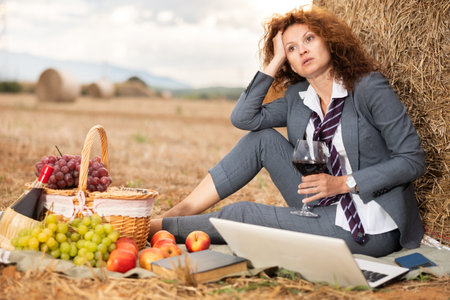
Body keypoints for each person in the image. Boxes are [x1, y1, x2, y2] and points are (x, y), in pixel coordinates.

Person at [148, 6, 425, 257]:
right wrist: (275, 59)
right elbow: (244, 117)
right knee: (262, 139)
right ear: (289, 63)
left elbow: (412, 159)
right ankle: (182, 212)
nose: (302, 50)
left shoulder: (367, 87)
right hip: (318, 199)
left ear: (329, 41)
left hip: (368, 219)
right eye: (291, 49)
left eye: (309, 39)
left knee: (243, 212)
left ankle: (157, 228)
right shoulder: (299, 97)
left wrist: (344, 183)